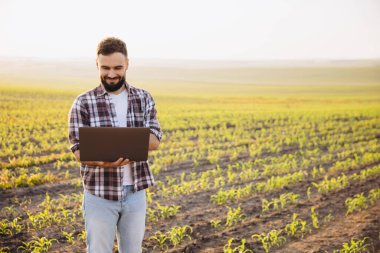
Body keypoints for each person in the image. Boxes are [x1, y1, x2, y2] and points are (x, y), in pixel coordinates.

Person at [68, 37, 162, 253]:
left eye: (118, 67)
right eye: (105, 67)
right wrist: (102, 161)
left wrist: (121, 139)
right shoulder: (83, 102)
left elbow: (155, 139)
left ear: (127, 64)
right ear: (97, 65)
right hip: (99, 194)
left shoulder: (143, 98)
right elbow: (78, 150)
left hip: (135, 192)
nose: (111, 74)